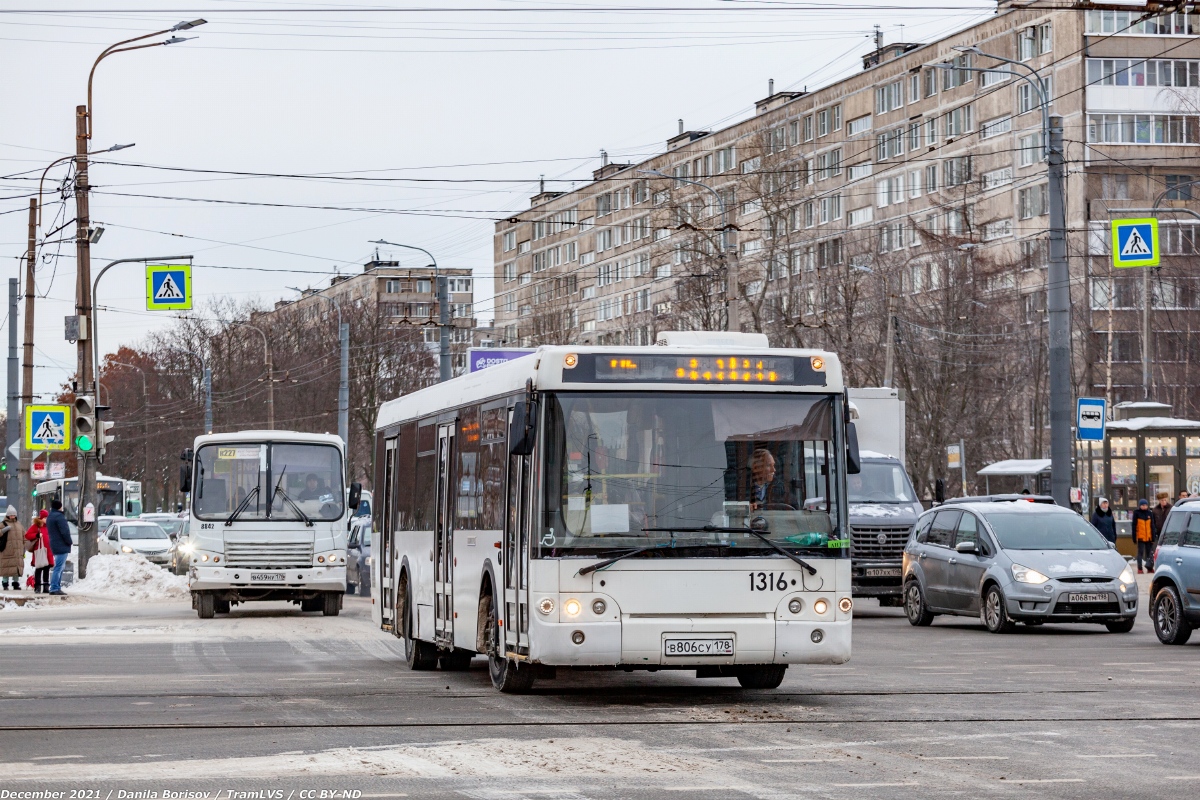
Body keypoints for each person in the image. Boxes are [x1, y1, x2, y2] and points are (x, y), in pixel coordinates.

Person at [46, 500, 72, 596]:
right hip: (61, 544)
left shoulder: (50, 516)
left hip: (54, 544)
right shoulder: (59, 517)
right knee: (59, 567)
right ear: (59, 507)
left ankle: (56, 587)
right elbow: (65, 531)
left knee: (59, 566)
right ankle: (54, 587)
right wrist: (69, 541)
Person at [25, 510, 51, 594]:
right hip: (39, 551)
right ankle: (37, 587)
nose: (46, 519)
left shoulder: (49, 526)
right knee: (39, 568)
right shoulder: (36, 526)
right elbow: (27, 535)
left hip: (48, 551)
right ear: (41, 518)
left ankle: (46, 587)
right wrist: (36, 535)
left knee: (47, 568)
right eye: (45, 517)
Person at [0, 506, 23, 591]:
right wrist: (3, 531)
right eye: (11, 515)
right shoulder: (3, 524)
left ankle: (15, 583)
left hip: (17, 550)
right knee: (6, 568)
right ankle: (5, 583)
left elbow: (24, 536)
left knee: (16, 568)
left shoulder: (19, 524)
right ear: (8, 515)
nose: (13, 516)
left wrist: (23, 547)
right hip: (6, 550)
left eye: (14, 515)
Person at [1132, 498, 1157, 574]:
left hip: (1149, 537)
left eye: (1146, 505)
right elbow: (1134, 526)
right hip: (1141, 537)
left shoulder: (1149, 513)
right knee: (1140, 553)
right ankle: (1140, 568)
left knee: (1149, 554)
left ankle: (1149, 568)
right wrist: (1134, 537)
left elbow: (1152, 526)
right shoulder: (1136, 513)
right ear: (1140, 506)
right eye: (1143, 505)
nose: (1144, 506)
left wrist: (1153, 537)